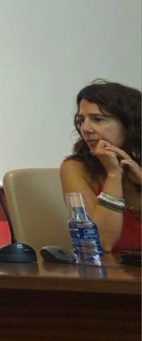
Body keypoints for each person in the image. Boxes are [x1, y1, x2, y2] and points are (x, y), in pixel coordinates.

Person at [59, 80, 141, 253]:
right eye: (81, 120)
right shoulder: (75, 167)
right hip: (109, 276)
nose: (85, 129)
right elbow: (101, 242)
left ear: (129, 124)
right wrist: (113, 174)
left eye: (98, 119)